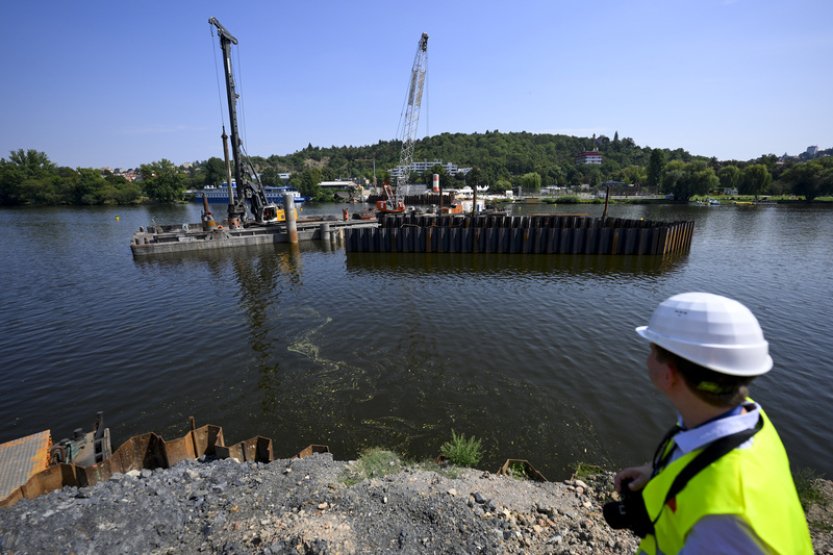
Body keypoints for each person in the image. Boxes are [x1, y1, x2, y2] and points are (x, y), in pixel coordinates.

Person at [608, 292, 812, 554]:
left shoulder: (722, 524)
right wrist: (658, 472)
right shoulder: (750, 419)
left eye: (652, 351)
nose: (647, 359)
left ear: (669, 374)